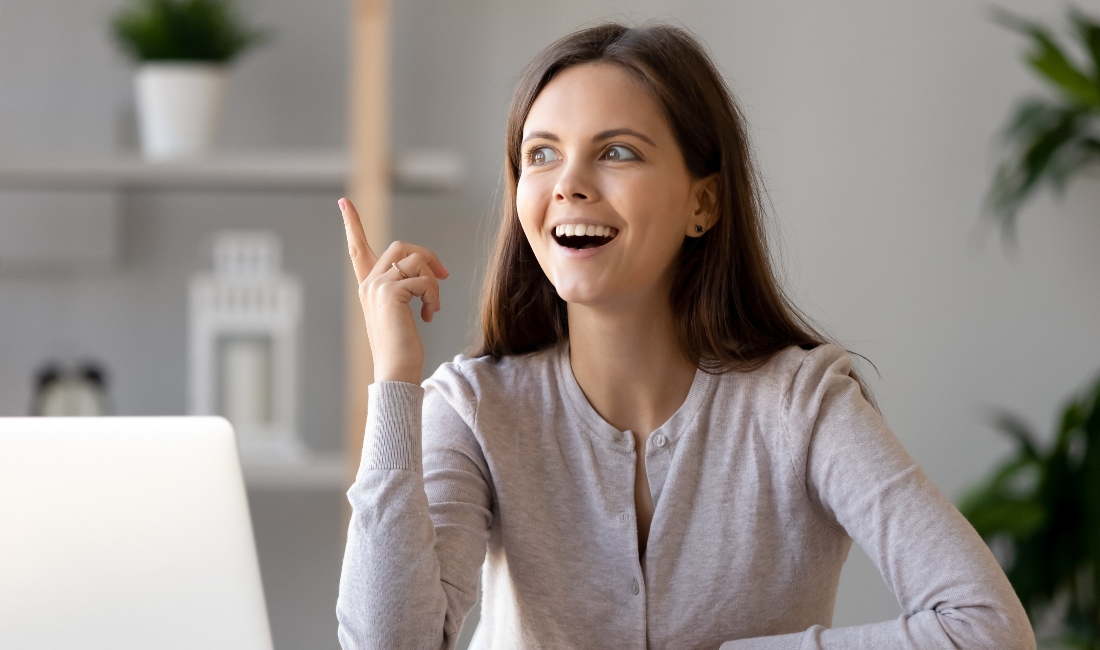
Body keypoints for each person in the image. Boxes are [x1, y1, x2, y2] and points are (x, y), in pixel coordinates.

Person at [335, 22, 1034, 649]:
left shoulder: (802, 405)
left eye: (617, 152)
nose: (568, 184)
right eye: (541, 155)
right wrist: (395, 381)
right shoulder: (474, 408)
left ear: (703, 203)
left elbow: (988, 627)